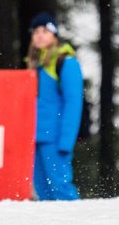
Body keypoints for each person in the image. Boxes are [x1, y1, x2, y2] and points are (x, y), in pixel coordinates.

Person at [26, 11, 82, 201]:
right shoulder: (34, 64)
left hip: (55, 138)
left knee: (61, 187)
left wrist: (66, 140)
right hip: (35, 138)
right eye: (36, 32)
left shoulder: (65, 62)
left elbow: (73, 103)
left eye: (45, 31)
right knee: (42, 192)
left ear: (54, 34)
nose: (40, 35)